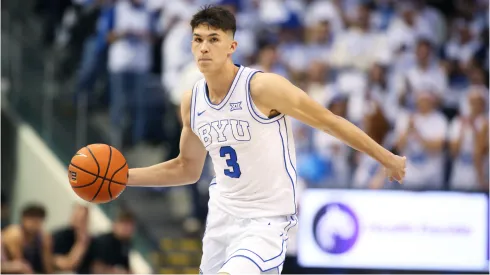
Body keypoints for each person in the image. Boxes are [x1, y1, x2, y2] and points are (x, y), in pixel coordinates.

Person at [127, 5, 406, 274]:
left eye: (214, 39)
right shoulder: (191, 100)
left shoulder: (261, 87)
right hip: (221, 221)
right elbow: (186, 168)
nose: (204, 47)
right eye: (198, 40)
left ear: (232, 47)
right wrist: (124, 177)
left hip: (265, 221)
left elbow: (329, 122)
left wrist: (387, 157)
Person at [2, 203, 54, 274]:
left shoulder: (43, 236)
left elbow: (47, 263)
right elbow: (18, 261)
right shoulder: (14, 234)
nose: (35, 224)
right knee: (22, 267)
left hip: (20, 264)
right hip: (5, 263)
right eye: (32, 220)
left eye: (38, 221)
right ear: (23, 219)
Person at [52, 204, 93, 274]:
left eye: (82, 219)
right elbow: (68, 264)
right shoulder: (60, 236)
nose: (79, 221)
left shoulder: (92, 242)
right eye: (76, 217)